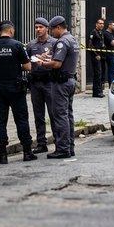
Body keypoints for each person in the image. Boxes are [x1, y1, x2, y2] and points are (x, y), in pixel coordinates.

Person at [0, 20, 36, 164]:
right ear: (11, 31)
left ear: (0, 31)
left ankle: (2, 155)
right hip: (16, 88)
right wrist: (15, 66)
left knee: (0, 121)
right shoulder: (17, 45)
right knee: (21, 119)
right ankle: (27, 152)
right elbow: (28, 66)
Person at [35, 15, 78, 159]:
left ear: (58, 27)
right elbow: (62, 59)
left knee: (60, 116)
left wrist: (43, 63)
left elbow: (57, 64)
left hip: (61, 83)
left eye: (52, 29)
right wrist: (48, 58)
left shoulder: (62, 42)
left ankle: (63, 148)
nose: (52, 32)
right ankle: (70, 146)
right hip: (70, 80)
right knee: (68, 115)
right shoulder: (72, 39)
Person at [26, 17, 56, 154]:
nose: (38, 30)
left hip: (49, 82)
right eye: (36, 27)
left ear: (47, 28)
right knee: (38, 115)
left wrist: (47, 59)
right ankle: (41, 143)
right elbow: (26, 62)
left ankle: (58, 141)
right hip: (35, 82)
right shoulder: (31, 44)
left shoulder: (54, 43)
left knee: (53, 113)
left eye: (41, 27)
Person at [87, 18, 106, 97]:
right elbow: (90, 45)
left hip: (101, 55)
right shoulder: (93, 32)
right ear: (96, 24)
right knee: (97, 74)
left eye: (102, 24)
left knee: (100, 74)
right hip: (96, 56)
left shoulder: (101, 33)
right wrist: (96, 55)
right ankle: (96, 92)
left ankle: (99, 90)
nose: (101, 25)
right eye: (100, 23)